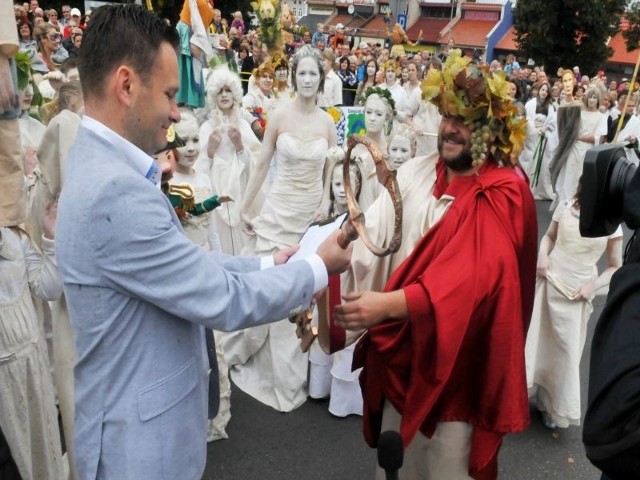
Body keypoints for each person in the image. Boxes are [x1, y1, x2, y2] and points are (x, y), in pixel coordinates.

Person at [54, 7, 351, 479]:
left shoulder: (104, 171)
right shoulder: (115, 191)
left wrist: (267, 265)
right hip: (141, 452)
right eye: (170, 94)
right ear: (127, 86)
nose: (176, 112)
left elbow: (186, 268)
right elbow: (221, 299)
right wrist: (317, 268)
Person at [334, 49, 537, 480]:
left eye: (465, 119)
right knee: (399, 467)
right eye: (447, 115)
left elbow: (472, 281)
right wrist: (325, 257)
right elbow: (375, 236)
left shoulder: (505, 192)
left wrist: (386, 307)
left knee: (444, 468)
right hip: (405, 354)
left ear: (490, 129)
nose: (450, 128)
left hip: (458, 372)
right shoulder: (417, 173)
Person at [225, 45, 337, 413]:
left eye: (313, 74)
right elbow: (261, 166)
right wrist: (245, 205)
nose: (307, 79)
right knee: (266, 283)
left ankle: (290, 374)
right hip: (278, 209)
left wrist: (324, 207)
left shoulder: (327, 123)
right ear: (294, 78)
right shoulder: (279, 116)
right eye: (301, 73)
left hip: (308, 215)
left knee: (300, 292)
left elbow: (329, 172)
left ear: (321, 79)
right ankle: (246, 351)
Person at [526, 184, 622, 430]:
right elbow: (549, 237)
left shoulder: (612, 225)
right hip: (549, 282)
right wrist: (542, 256)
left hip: (577, 294)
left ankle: (553, 405)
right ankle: (526, 391)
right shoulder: (566, 206)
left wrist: (594, 285)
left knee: (565, 353)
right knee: (538, 341)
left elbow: (615, 267)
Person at [196, 67, 262, 255]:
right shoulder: (207, 127)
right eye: (220, 91)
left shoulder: (242, 126)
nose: (224, 95)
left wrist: (240, 146)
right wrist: (209, 151)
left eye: (228, 91)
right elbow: (197, 171)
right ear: (213, 97)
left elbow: (257, 167)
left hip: (240, 191)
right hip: (215, 192)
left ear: (235, 95)